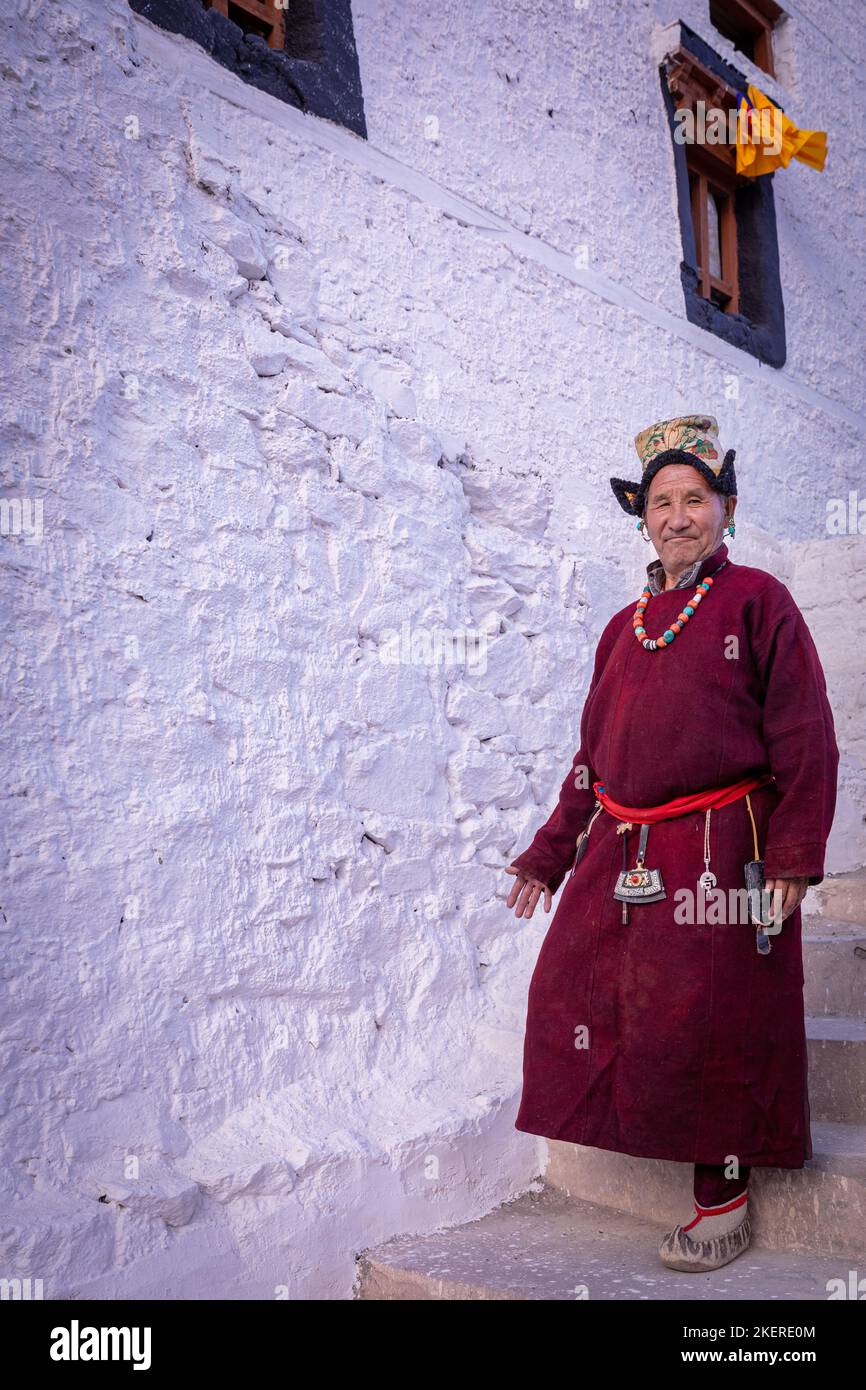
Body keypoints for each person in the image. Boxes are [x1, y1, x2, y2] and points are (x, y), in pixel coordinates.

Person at [503, 414, 839, 1273]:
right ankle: (635, 1130)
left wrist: (795, 854)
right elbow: (592, 756)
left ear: (724, 508)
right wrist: (550, 852)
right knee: (578, 994)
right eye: (662, 502)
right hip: (625, 849)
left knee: (715, 1022)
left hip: (725, 853)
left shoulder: (758, 599)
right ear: (643, 518)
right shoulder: (626, 626)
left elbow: (805, 732)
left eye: (697, 498)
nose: (679, 516)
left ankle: (721, 1201)